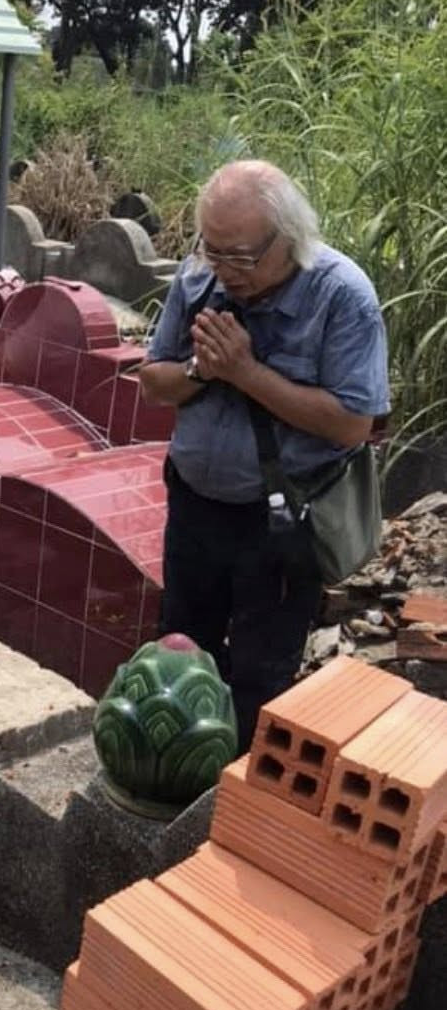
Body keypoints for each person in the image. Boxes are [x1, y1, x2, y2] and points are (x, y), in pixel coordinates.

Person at [138, 160, 389, 750]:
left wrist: (246, 373)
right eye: (213, 251)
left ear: (289, 239)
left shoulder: (342, 297)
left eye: (242, 257)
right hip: (195, 506)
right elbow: (153, 382)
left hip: (279, 525)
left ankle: (235, 789)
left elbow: (353, 424)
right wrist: (204, 369)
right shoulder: (198, 280)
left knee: (258, 677)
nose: (225, 271)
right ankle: (171, 773)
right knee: (178, 654)